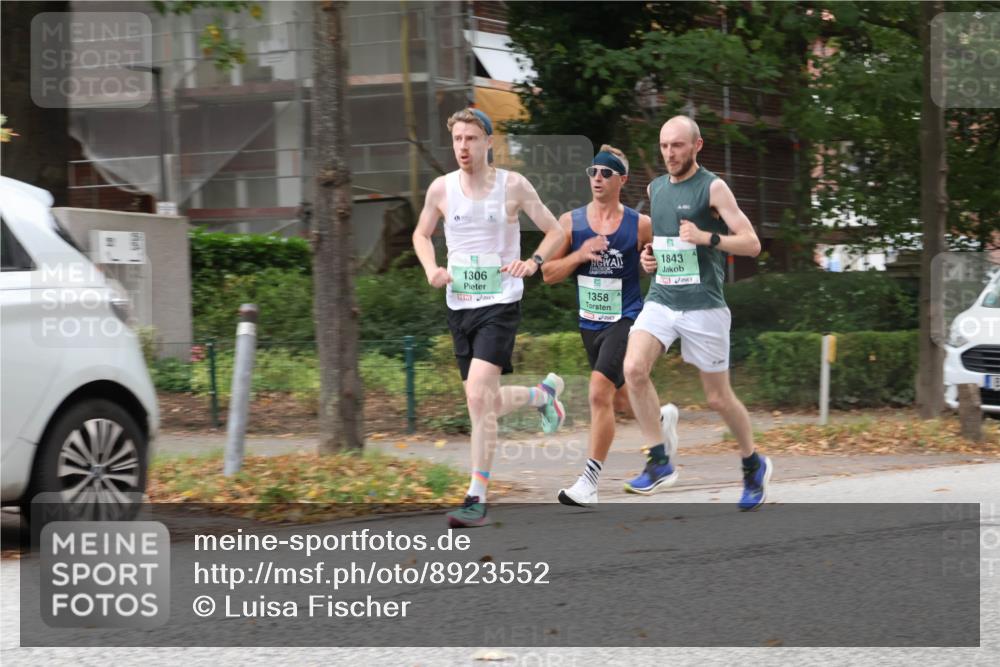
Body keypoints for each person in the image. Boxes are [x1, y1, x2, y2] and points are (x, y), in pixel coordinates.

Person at [412, 108, 567, 527]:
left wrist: (533, 262)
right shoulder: (442, 189)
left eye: (471, 139)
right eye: (457, 139)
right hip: (459, 304)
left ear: (488, 142)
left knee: (480, 398)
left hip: (500, 303)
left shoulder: (512, 185)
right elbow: (421, 234)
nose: (463, 147)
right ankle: (542, 397)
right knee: (485, 401)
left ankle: (476, 497)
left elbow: (555, 231)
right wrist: (431, 269)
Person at [623, 115, 772, 511]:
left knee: (718, 398)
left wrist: (707, 237)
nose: (670, 153)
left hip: (704, 304)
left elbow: (752, 243)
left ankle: (752, 464)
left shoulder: (713, 187)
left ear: (697, 146)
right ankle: (658, 461)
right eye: (664, 146)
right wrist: (649, 259)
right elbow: (662, 244)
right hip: (662, 297)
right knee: (633, 369)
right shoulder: (655, 188)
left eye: (678, 145)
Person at [540, 145, 651, 506]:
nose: (598, 178)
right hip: (589, 324)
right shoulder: (570, 222)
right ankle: (661, 426)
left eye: (606, 173)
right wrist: (579, 254)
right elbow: (548, 274)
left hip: (626, 318)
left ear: (622, 180)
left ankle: (589, 482)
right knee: (621, 400)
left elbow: (661, 263)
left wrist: (652, 262)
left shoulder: (640, 224)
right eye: (593, 172)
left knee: (598, 393)